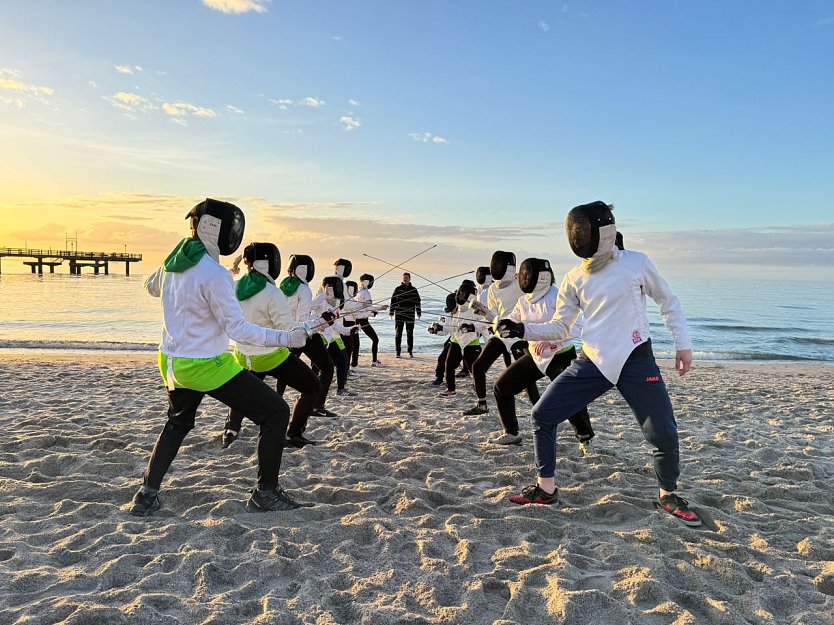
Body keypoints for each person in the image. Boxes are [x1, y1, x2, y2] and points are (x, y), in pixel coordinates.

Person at [497, 201, 701, 527]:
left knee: (662, 432)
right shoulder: (576, 278)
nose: (579, 237)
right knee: (542, 415)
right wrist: (522, 329)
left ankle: (668, 495)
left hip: (636, 360)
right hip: (592, 362)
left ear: (602, 231)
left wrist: (684, 345)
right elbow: (562, 328)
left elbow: (668, 301)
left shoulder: (635, 263)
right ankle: (546, 489)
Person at [130, 199, 311, 516]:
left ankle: (146, 494)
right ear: (214, 227)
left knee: (178, 423)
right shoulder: (214, 274)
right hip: (205, 365)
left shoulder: (174, 264)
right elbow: (238, 329)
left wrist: (178, 276)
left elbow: (151, 286)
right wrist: (287, 338)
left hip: (172, 363)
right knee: (275, 413)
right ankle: (265, 493)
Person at [221, 242, 322, 450]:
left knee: (243, 390)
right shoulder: (271, 293)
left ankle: (231, 430)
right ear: (269, 264)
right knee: (313, 386)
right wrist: (317, 323)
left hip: (242, 355)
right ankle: (293, 433)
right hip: (269, 356)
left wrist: (232, 271)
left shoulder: (236, 285)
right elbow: (287, 328)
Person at [489, 257, 594, 454]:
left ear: (542, 277)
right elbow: (513, 320)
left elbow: (577, 326)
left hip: (560, 355)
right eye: (524, 274)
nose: (524, 278)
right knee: (502, 387)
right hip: (535, 356)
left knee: (570, 398)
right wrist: (502, 325)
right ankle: (512, 433)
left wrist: (550, 340)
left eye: (528, 274)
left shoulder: (559, 296)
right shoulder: (523, 301)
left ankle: (585, 438)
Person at [464, 251, 530, 416]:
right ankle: (482, 405)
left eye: (499, 264)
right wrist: (483, 312)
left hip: (516, 335)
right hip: (500, 335)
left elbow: (529, 308)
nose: (496, 267)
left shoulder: (519, 285)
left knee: (527, 377)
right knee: (478, 367)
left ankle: (539, 407)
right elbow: (494, 317)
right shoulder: (493, 288)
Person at [279, 255, 339, 419]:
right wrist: (322, 321)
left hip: (285, 333)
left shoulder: (283, 285)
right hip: (302, 334)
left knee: (284, 366)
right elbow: (303, 319)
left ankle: (278, 398)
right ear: (305, 270)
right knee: (327, 367)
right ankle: (316, 406)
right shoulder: (303, 289)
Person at [429, 280, 487, 396]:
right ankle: (450, 389)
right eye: (459, 294)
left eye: (462, 294)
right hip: (456, 342)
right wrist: (438, 329)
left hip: (471, 343)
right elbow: (450, 329)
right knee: (449, 365)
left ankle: (479, 387)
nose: (460, 296)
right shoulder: (456, 311)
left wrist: (487, 341)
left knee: (475, 369)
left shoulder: (476, 309)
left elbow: (485, 325)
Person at [311, 276, 358, 396]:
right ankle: (311, 390)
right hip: (317, 338)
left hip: (328, 338)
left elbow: (334, 326)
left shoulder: (333, 304)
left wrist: (349, 330)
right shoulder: (320, 300)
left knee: (342, 361)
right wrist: (323, 294)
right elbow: (310, 307)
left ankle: (341, 389)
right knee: (318, 367)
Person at [354, 273, 388, 367]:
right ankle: (374, 361)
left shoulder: (358, 291)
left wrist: (374, 312)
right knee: (375, 339)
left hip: (357, 319)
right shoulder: (366, 293)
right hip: (362, 320)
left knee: (354, 341)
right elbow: (369, 308)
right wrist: (381, 308)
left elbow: (363, 308)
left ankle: (354, 361)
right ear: (367, 282)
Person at [390, 272, 422, 358]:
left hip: (410, 313)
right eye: (404, 277)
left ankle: (410, 351)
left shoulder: (414, 289)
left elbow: (418, 302)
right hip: (399, 313)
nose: (405, 279)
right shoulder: (398, 289)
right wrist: (391, 312)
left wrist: (418, 312)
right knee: (398, 334)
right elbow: (393, 300)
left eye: (407, 277)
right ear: (402, 278)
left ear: (410, 279)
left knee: (410, 333)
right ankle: (398, 352)